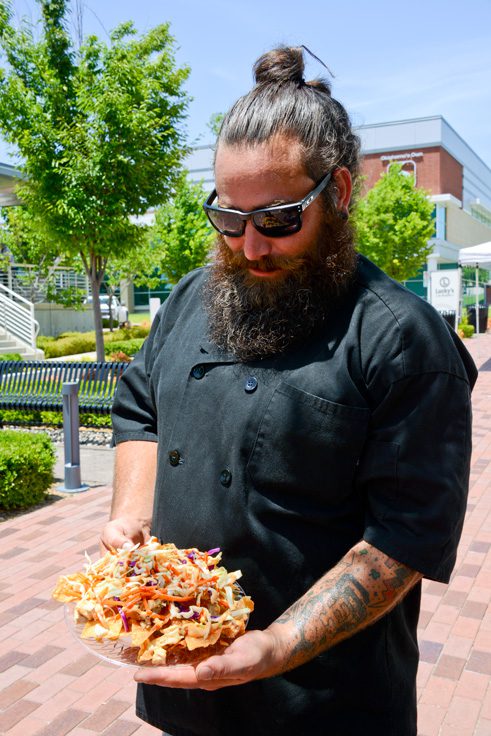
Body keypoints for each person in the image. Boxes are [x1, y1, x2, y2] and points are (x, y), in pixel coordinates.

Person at [102, 46, 477, 736]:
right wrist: (131, 516)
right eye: (228, 218)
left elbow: (405, 535)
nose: (249, 246)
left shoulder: (401, 340)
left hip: (323, 699)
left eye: (276, 220)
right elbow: (138, 406)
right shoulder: (190, 297)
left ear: (336, 192)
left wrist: (275, 645)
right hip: (181, 681)